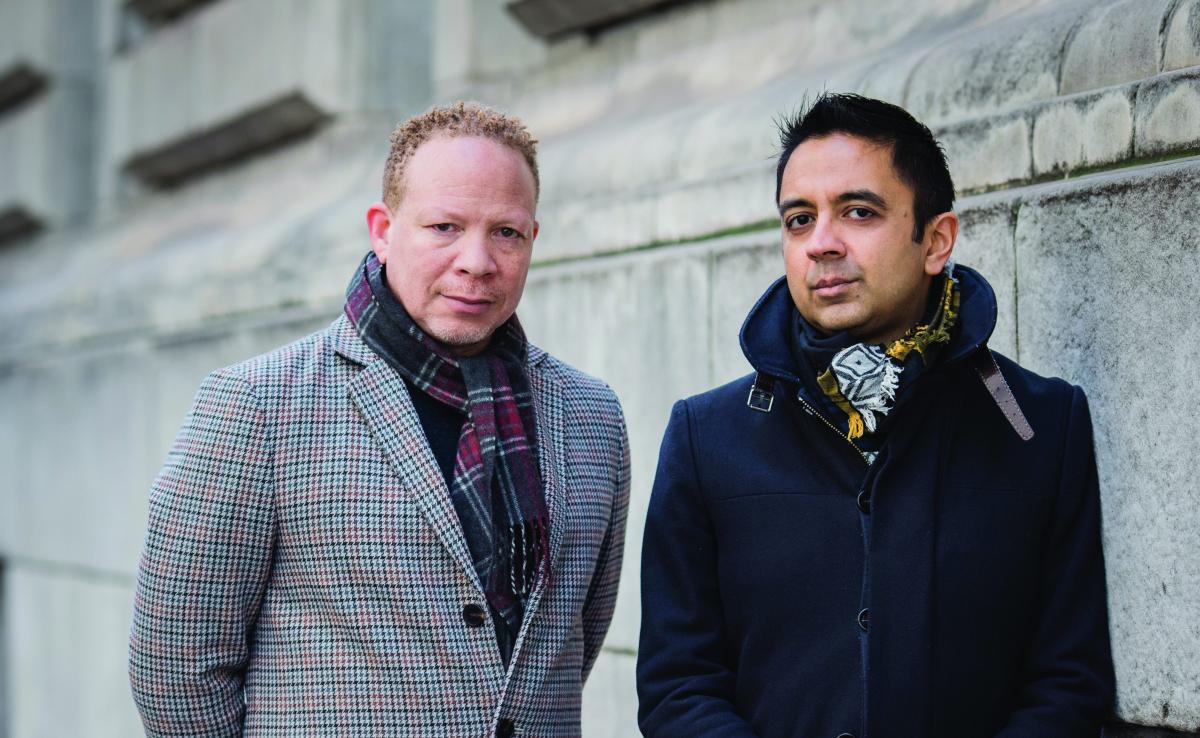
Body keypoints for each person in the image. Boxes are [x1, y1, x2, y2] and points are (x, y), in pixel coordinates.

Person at [129, 102, 630, 737]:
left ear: (533, 238)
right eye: (445, 227)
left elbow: (568, 643)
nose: (477, 261)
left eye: (505, 232)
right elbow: (175, 666)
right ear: (383, 229)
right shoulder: (258, 404)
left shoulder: (591, 415)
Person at [637, 93, 1114, 738]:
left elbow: (1070, 681)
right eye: (799, 220)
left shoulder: (1039, 425)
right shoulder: (706, 436)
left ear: (936, 239)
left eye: (858, 212)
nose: (821, 244)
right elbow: (678, 687)